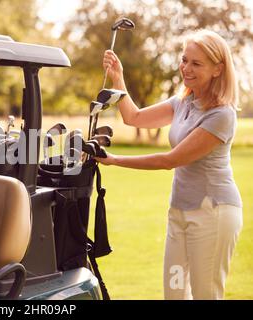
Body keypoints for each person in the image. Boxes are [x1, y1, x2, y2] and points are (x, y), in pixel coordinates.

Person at [95, 30, 242, 300]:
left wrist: (115, 160)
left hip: (212, 214)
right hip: (179, 214)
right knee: (174, 293)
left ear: (218, 69)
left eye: (196, 64)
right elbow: (134, 118)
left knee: (205, 294)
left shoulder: (222, 115)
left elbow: (170, 160)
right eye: (185, 60)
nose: (186, 68)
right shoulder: (182, 102)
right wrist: (118, 78)